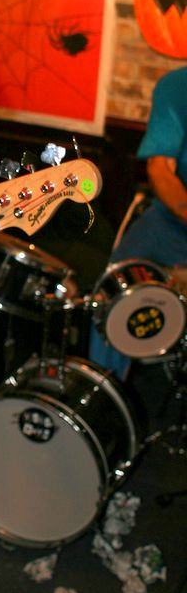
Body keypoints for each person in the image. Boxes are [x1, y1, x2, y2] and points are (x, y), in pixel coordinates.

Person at [89, 65, 187, 380]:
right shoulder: (177, 84)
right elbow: (160, 169)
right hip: (174, 221)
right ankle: (104, 389)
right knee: (117, 290)